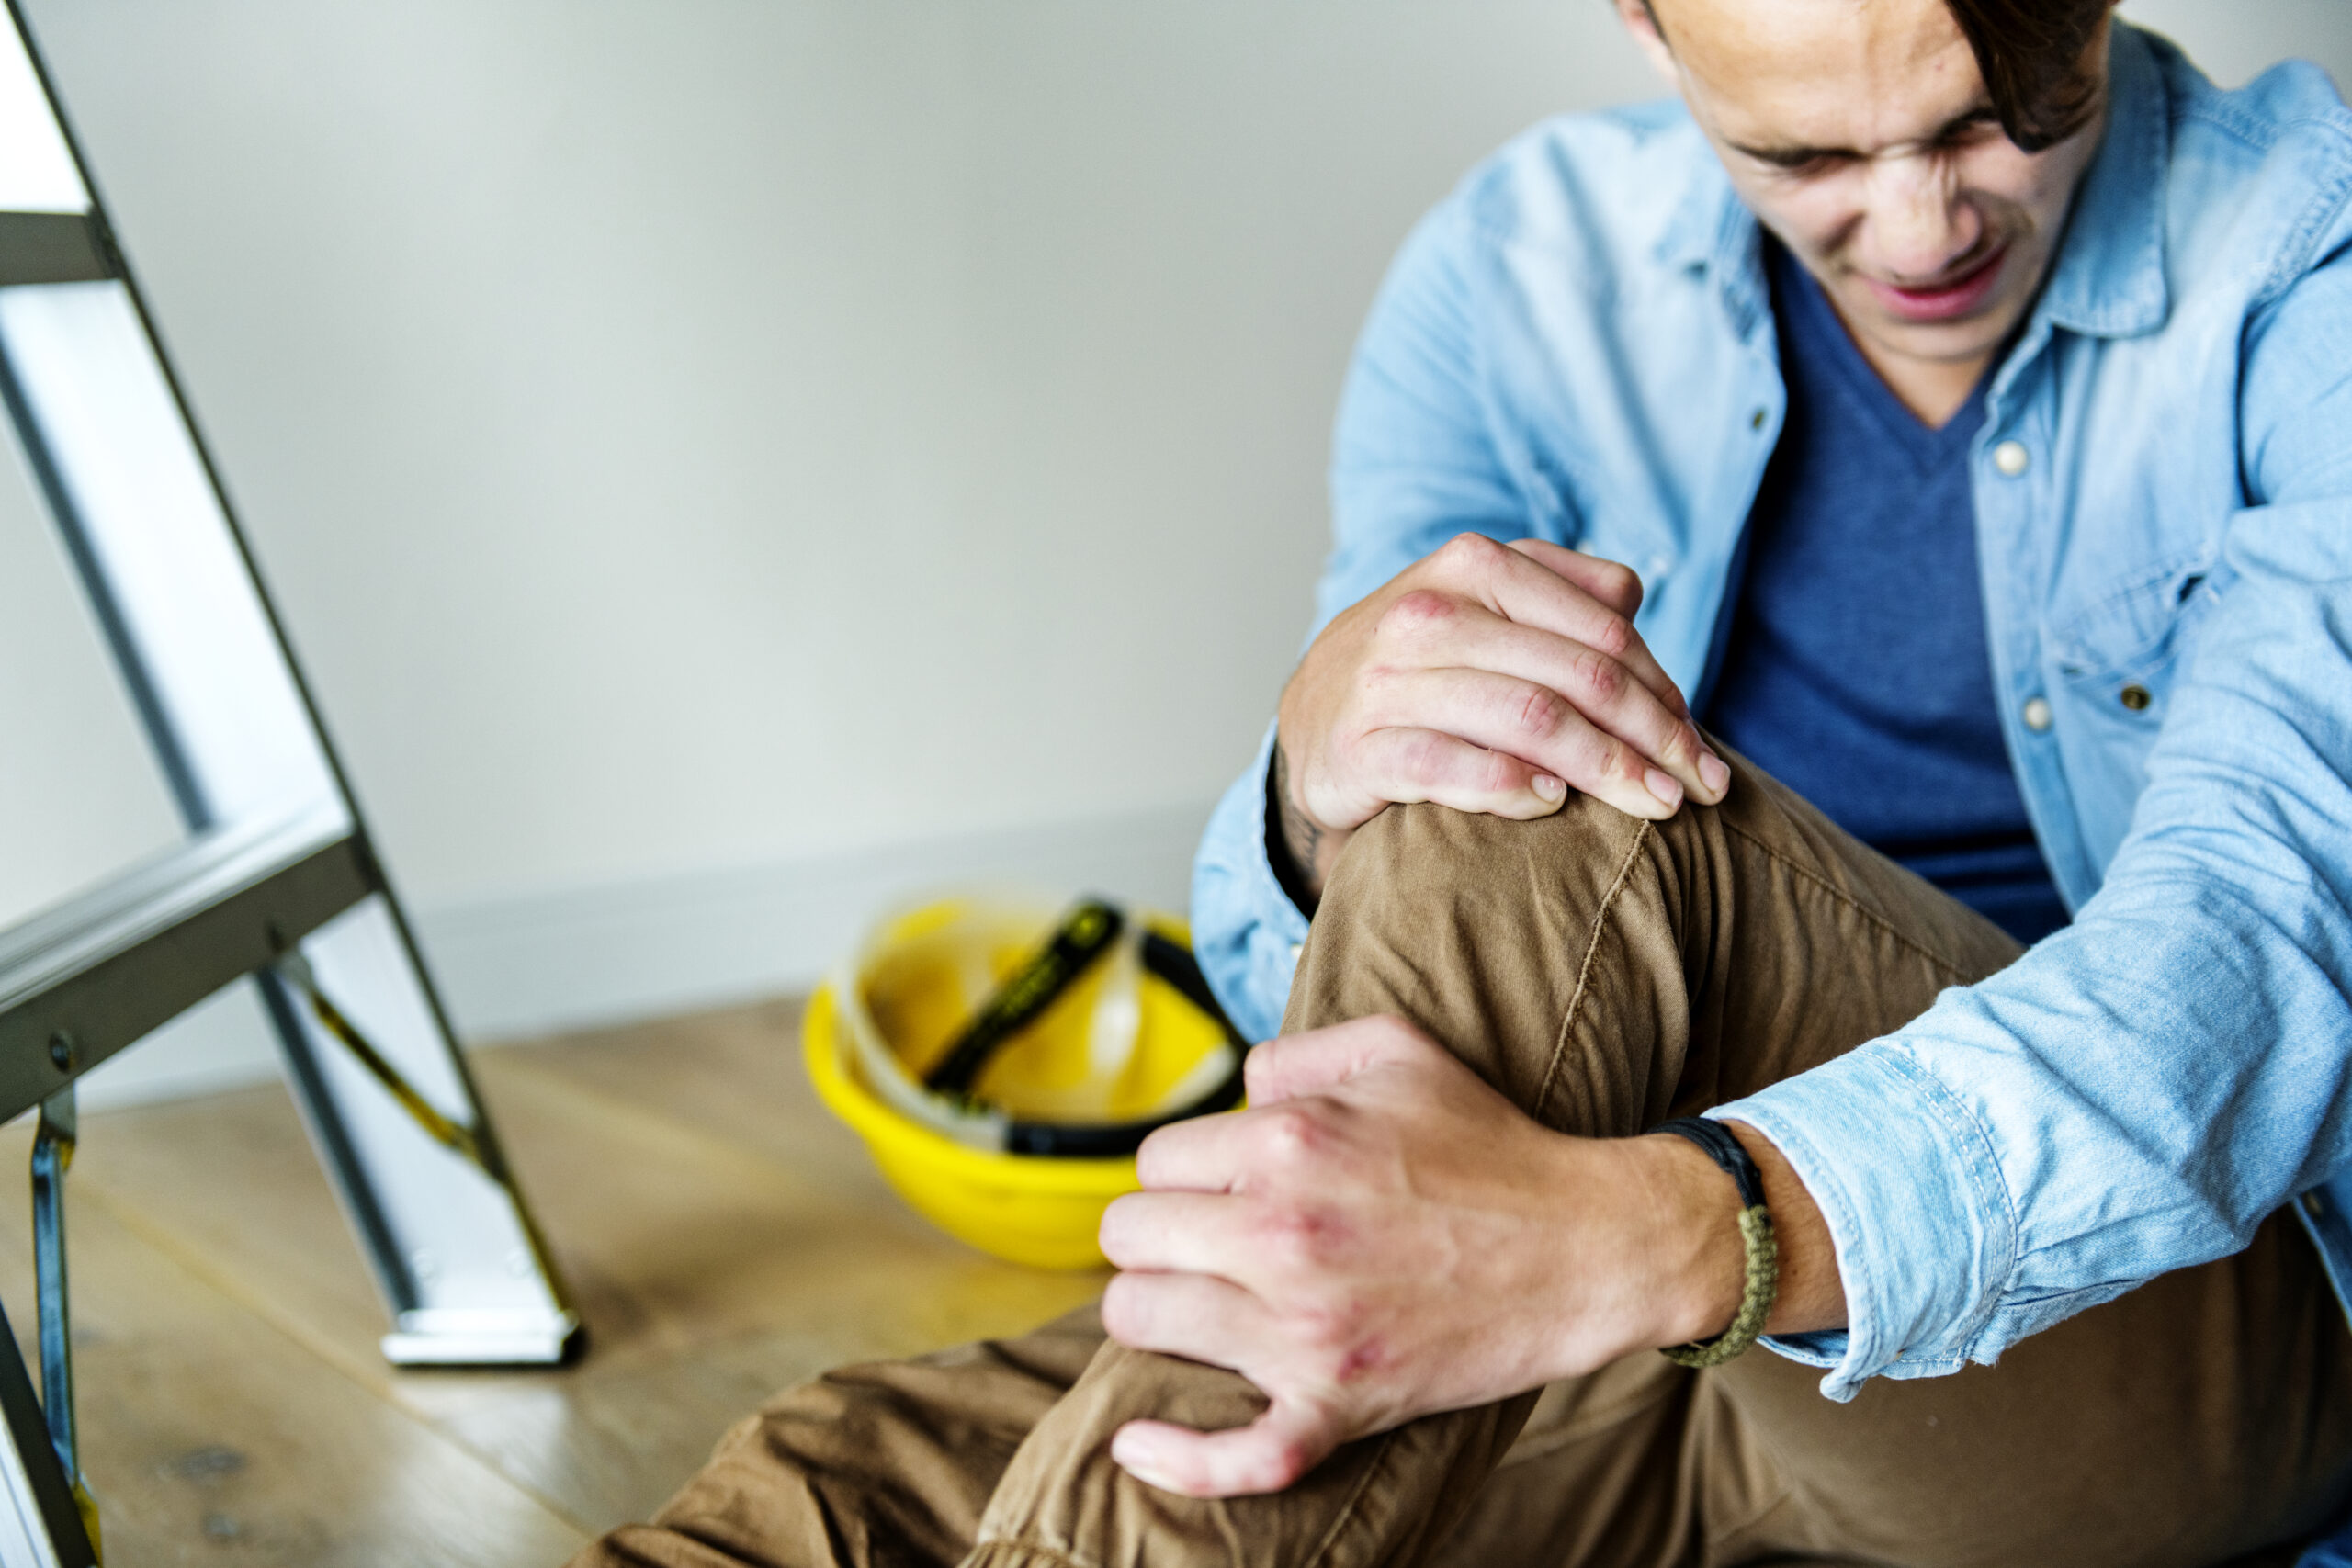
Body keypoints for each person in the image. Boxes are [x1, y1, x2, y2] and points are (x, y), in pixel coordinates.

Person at [574, 1, 2352, 1563]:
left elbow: (2265, 957)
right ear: (1646, 29)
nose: (1918, 224)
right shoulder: (1520, 273)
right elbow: (1367, 1001)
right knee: (845, 1493)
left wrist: (1669, 1235)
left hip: (2155, 1319)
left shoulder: (2302, 256)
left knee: (1554, 798)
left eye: (1988, 121)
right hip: (1623, 1311)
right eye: (1804, 151)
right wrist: (1308, 794)